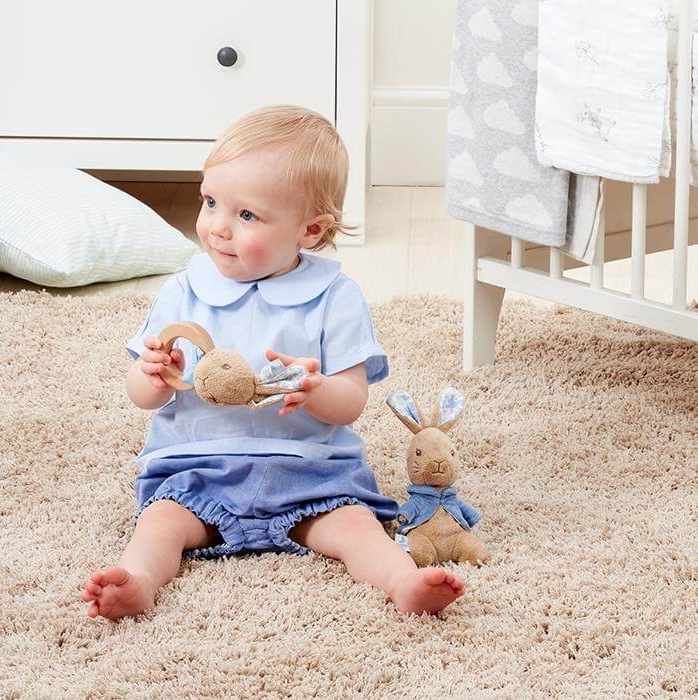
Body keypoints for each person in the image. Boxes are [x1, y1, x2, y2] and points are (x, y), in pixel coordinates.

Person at [81, 105, 465, 619]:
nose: (218, 227)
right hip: (200, 467)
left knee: (356, 528)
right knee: (160, 525)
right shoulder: (184, 290)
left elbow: (351, 401)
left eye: (246, 216)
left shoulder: (335, 297)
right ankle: (139, 582)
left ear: (310, 230)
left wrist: (316, 389)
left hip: (309, 472)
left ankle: (403, 582)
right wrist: (151, 374)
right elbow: (142, 395)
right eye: (210, 202)